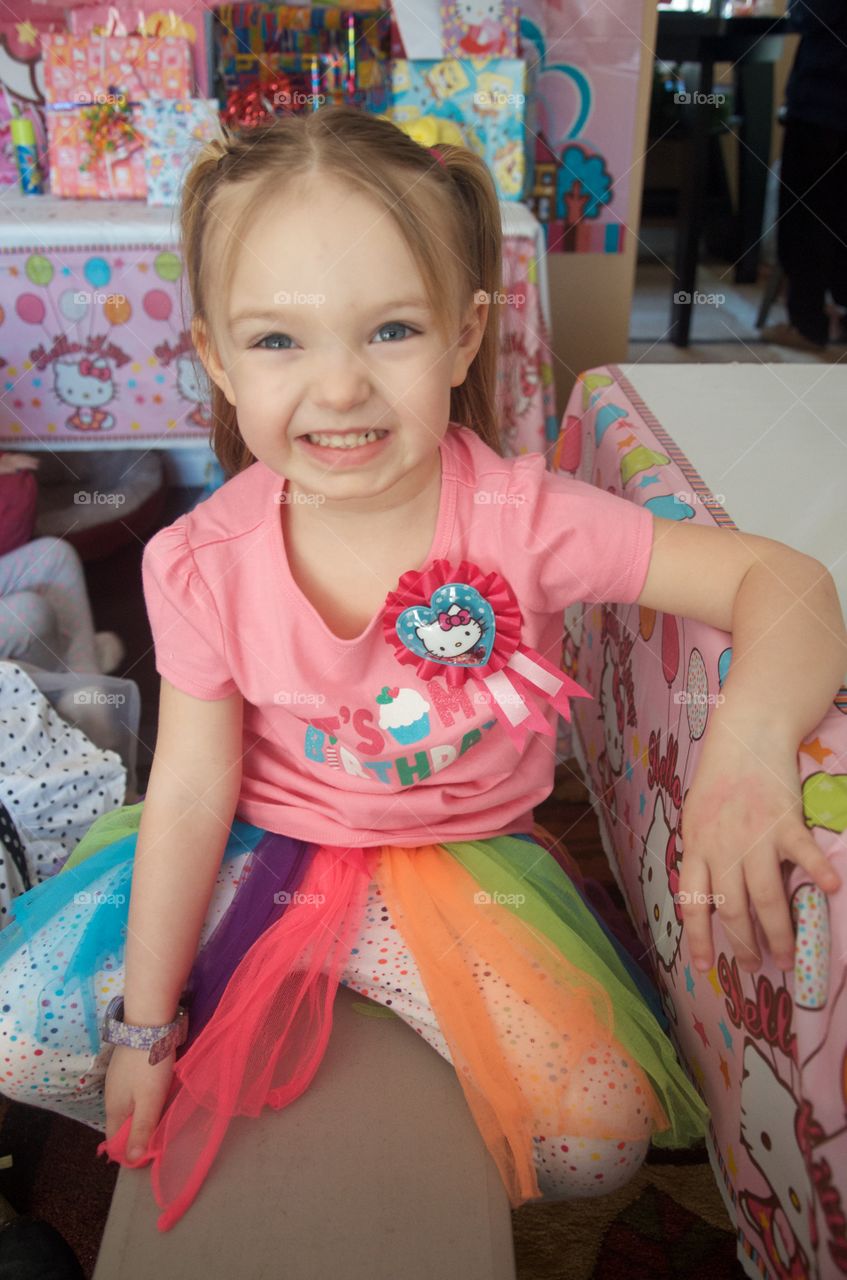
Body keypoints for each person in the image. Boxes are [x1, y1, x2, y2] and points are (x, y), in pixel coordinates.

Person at [0, 106, 843, 1237]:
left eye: (390, 329)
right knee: (16, 1023)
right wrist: (148, 1027)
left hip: (466, 872)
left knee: (595, 1137)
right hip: (267, 853)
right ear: (213, 353)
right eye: (279, 340)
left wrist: (740, 748)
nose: (339, 388)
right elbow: (192, 790)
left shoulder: (526, 519)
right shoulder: (195, 560)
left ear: (462, 336)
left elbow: (784, 584)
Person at [761, 0, 847, 353]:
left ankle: (807, 325)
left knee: (805, 221)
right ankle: (840, 318)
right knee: (840, 220)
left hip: (823, 106)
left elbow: (808, 15)